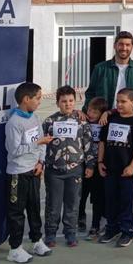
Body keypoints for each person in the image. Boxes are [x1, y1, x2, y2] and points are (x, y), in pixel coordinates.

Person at [4, 82, 54, 264]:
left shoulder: (34, 117)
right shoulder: (14, 123)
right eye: (38, 98)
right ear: (26, 99)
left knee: (34, 208)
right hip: (18, 173)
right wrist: (38, 143)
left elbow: (41, 141)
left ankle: (36, 241)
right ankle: (15, 249)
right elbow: (14, 150)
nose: (40, 101)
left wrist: (40, 162)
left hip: (33, 170)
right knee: (16, 212)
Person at [41, 85, 93, 248]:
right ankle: (50, 233)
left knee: (72, 204)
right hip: (54, 171)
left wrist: (90, 165)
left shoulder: (82, 122)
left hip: (75, 170)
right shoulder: (49, 121)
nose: (68, 104)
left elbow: (88, 145)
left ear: (75, 101)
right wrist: (40, 163)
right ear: (57, 103)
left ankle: (70, 232)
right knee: (53, 204)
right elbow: (42, 145)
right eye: (64, 101)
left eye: (71, 101)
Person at [98, 88, 133, 247]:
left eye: (123, 101)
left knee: (127, 201)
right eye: (117, 101)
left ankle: (127, 230)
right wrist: (100, 162)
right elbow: (102, 142)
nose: (119, 104)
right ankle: (112, 228)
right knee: (110, 200)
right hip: (110, 168)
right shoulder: (111, 118)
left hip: (127, 171)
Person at [84, 31, 133, 114]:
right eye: (121, 44)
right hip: (104, 117)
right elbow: (90, 93)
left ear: (132, 47)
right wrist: (86, 111)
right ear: (115, 45)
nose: (124, 48)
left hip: (131, 118)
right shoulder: (100, 68)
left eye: (127, 45)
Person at [80, 96, 108, 240]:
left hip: (99, 165)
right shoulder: (83, 120)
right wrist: (78, 112)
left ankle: (96, 225)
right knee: (81, 194)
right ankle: (80, 217)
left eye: (95, 112)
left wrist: (107, 113)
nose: (91, 114)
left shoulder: (105, 123)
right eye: (90, 110)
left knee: (97, 197)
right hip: (83, 164)